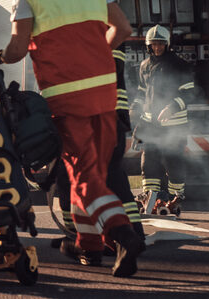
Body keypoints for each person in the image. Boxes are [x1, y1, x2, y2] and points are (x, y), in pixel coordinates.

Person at [0, 0, 143, 278]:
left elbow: (16, 48)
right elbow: (122, 28)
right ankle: (86, 246)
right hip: (105, 91)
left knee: (84, 176)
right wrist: (98, 55)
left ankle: (122, 235)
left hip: (67, 96)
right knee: (91, 174)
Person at [51, 49, 145, 265]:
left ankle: (114, 239)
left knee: (78, 181)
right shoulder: (106, 31)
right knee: (111, 179)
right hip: (110, 118)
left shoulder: (88, 36)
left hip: (92, 118)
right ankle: (107, 240)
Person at [131, 25, 196, 214]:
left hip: (174, 126)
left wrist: (172, 107)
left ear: (167, 45)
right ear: (148, 46)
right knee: (148, 161)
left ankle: (176, 199)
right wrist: (134, 109)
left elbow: (190, 94)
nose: (157, 48)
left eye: (160, 44)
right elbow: (141, 94)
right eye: (154, 44)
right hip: (150, 125)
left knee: (173, 161)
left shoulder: (179, 65)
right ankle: (150, 197)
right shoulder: (144, 66)